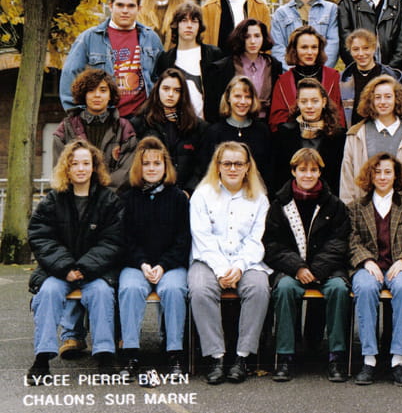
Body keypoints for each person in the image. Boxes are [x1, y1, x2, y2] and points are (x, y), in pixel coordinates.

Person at [26, 140, 123, 381]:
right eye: (74, 164)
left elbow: (113, 240)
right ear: (66, 168)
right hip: (59, 272)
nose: (80, 168)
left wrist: (84, 268)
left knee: (101, 292)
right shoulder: (53, 200)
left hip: (96, 271)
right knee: (48, 292)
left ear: (94, 167)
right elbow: (40, 236)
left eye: (86, 163)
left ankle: (105, 355)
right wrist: (67, 268)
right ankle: (42, 359)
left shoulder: (109, 200)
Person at [263, 148, 352, 383]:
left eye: (313, 170)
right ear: (294, 171)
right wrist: (298, 268)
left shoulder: (334, 205)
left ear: (320, 172)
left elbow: (339, 243)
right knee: (284, 289)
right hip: (292, 269)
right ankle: (285, 356)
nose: (308, 174)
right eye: (302, 169)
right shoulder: (280, 204)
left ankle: (336, 356)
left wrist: (317, 270)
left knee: (339, 289)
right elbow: (272, 245)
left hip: (327, 269)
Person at [189, 141, 271, 385]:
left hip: (246, 261)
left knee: (258, 288)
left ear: (247, 167)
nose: (233, 168)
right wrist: (221, 269)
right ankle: (216, 357)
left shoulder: (260, 198)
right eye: (227, 163)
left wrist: (239, 266)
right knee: (200, 289)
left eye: (238, 163)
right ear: (218, 166)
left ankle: (241, 357)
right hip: (208, 259)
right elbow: (202, 237)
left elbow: (257, 240)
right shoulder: (202, 195)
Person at [118, 137, 190, 380]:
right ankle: (130, 353)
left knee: (174, 290)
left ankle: (174, 352)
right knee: (129, 289)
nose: (151, 168)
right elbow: (125, 239)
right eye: (146, 163)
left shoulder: (178, 198)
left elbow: (183, 239)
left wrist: (163, 265)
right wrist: (143, 263)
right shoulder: (128, 198)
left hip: (170, 265)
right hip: (137, 265)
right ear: (138, 167)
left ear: (165, 166)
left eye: (157, 163)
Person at [349, 153, 402, 386]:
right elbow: (352, 240)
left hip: (398, 266)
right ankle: (369, 359)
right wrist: (366, 261)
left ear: (395, 176)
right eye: (377, 172)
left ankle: (398, 359)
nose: (382, 177)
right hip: (369, 267)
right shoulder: (356, 207)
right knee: (365, 288)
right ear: (370, 176)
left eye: (388, 172)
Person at [60, 0, 163, 116]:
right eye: (120, 5)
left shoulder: (151, 38)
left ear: (139, 8)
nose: (125, 10)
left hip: (142, 118)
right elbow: (70, 75)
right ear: (111, 6)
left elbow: (161, 78)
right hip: (104, 118)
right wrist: (78, 115)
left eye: (131, 6)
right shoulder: (89, 38)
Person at [340, 75, 402, 204]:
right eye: (377, 97)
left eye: (388, 96)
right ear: (371, 101)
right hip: (364, 210)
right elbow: (347, 178)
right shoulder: (356, 134)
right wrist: (349, 211)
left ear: (397, 99)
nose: (383, 102)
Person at [53, 67, 137, 191]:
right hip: (76, 197)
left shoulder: (124, 128)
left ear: (110, 95)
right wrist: (82, 192)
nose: (97, 95)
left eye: (103, 90)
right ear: (84, 94)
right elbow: (61, 170)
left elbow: (126, 171)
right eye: (91, 90)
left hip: (113, 198)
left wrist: (102, 195)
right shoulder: (66, 128)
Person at [130, 68, 207, 195]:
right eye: (166, 89)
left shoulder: (197, 126)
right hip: (150, 194)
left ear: (183, 94)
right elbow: (134, 163)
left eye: (177, 90)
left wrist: (189, 191)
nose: (170, 94)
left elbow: (202, 166)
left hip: (186, 195)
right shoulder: (140, 123)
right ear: (157, 90)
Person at [152, 2, 224, 121]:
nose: (189, 25)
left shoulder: (214, 55)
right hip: (176, 123)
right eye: (184, 21)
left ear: (199, 26)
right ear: (176, 25)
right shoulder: (165, 59)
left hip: (208, 123)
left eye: (194, 21)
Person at [273, 78, 346, 195]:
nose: (309, 106)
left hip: (328, 199)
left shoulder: (339, 136)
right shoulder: (284, 133)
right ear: (298, 103)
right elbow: (277, 175)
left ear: (324, 102)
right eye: (304, 101)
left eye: (315, 101)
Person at [200, 75, 273, 189]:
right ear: (228, 98)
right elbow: (206, 170)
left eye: (247, 97)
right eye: (237, 96)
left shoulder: (262, 131)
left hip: (255, 193)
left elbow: (269, 170)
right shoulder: (214, 132)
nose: (243, 102)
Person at [269, 25, 345, 130]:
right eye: (304, 47)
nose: (310, 52)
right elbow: (276, 121)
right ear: (295, 49)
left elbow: (340, 116)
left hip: (328, 135)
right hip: (294, 137)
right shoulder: (283, 81)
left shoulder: (332, 77)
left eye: (314, 47)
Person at [208, 18, 283, 123]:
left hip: (264, 125)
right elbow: (214, 104)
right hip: (233, 124)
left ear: (263, 37)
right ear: (240, 38)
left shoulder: (273, 65)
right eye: (247, 36)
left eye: (257, 36)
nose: (253, 41)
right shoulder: (224, 66)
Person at [271, 0, 339, 69]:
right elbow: (278, 49)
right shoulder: (281, 13)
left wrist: (317, 72)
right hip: (291, 75)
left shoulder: (331, 10)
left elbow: (333, 45)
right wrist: (295, 73)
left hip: (322, 75)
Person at [340, 28, 402, 127]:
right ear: (350, 51)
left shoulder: (391, 77)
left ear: (374, 48)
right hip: (353, 132)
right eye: (356, 49)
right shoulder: (343, 79)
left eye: (366, 48)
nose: (361, 54)